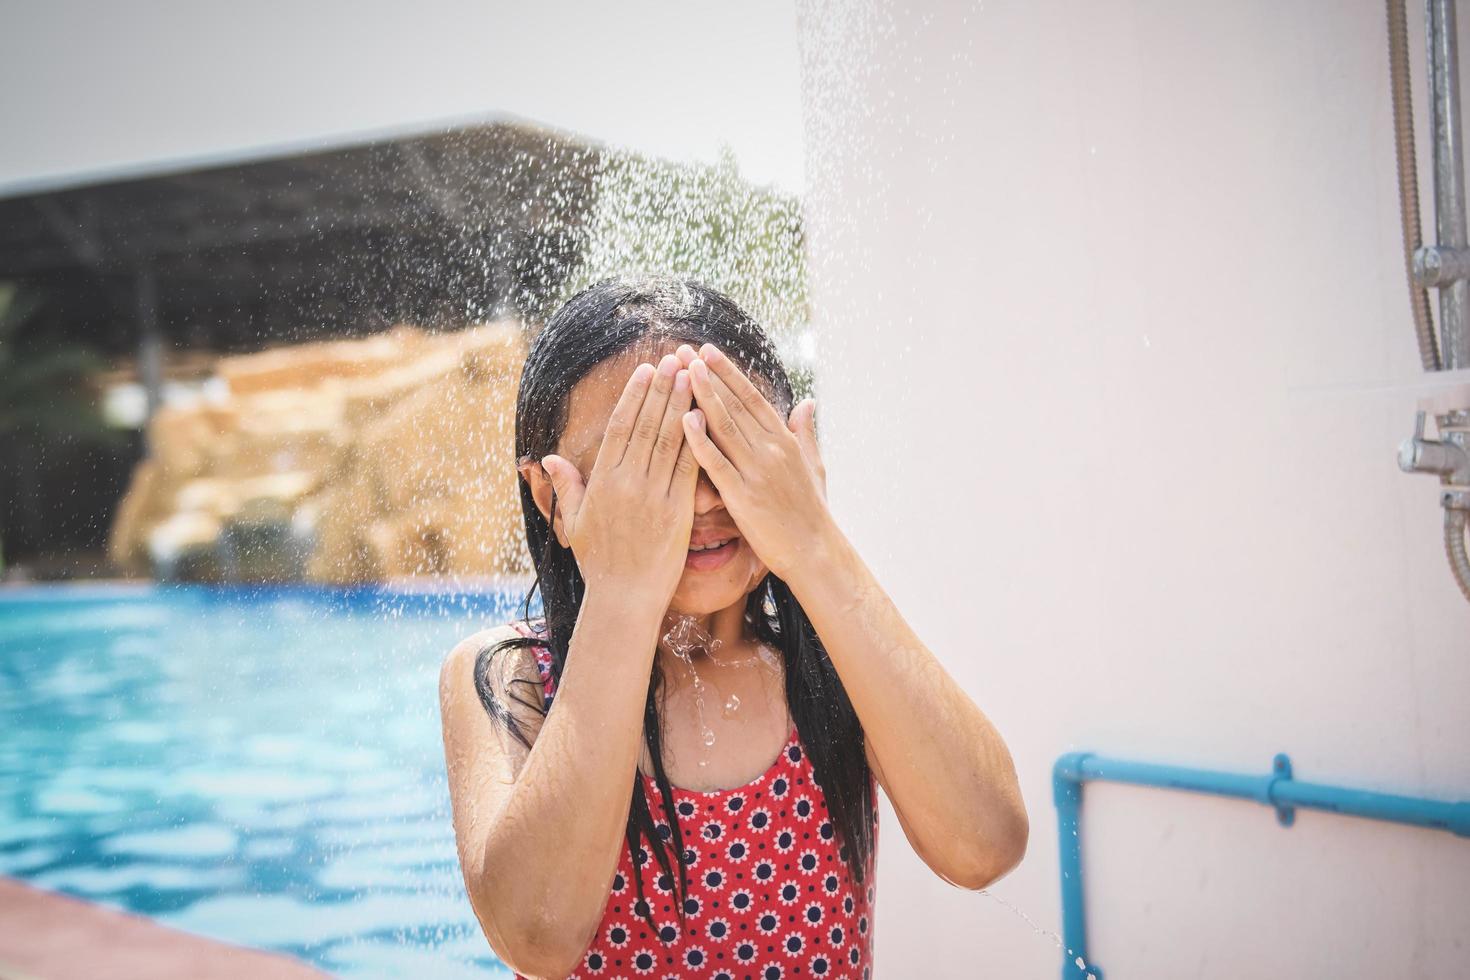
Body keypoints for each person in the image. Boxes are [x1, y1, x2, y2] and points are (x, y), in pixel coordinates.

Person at [439, 276, 1027, 979]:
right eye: (648, 457)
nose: (706, 494)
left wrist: (814, 545)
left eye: (730, 445)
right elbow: (536, 935)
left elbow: (985, 846)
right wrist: (624, 591)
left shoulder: (837, 664)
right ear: (551, 497)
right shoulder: (513, 675)